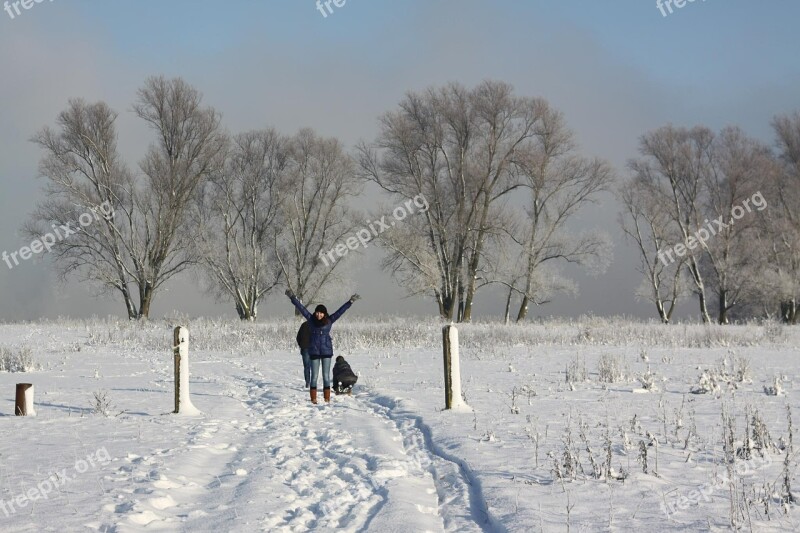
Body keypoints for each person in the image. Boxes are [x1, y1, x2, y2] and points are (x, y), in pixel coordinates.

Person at [285, 289, 360, 404]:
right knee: (314, 376)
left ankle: (327, 398)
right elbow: (301, 308)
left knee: (326, 376)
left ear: (324, 314)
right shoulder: (311, 320)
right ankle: (314, 399)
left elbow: (340, 311)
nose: (318, 314)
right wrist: (292, 298)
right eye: (317, 312)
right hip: (314, 351)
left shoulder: (329, 321)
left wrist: (350, 302)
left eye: (321, 313)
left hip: (326, 351)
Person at [296, 321, 311, 388]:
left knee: (306, 367)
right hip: (314, 349)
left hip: (304, 348)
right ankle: (313, 383)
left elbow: (298, 337)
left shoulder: (303, 325)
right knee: (314, 367)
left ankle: (308, 382)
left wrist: (301, 345)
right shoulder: (316, 325)